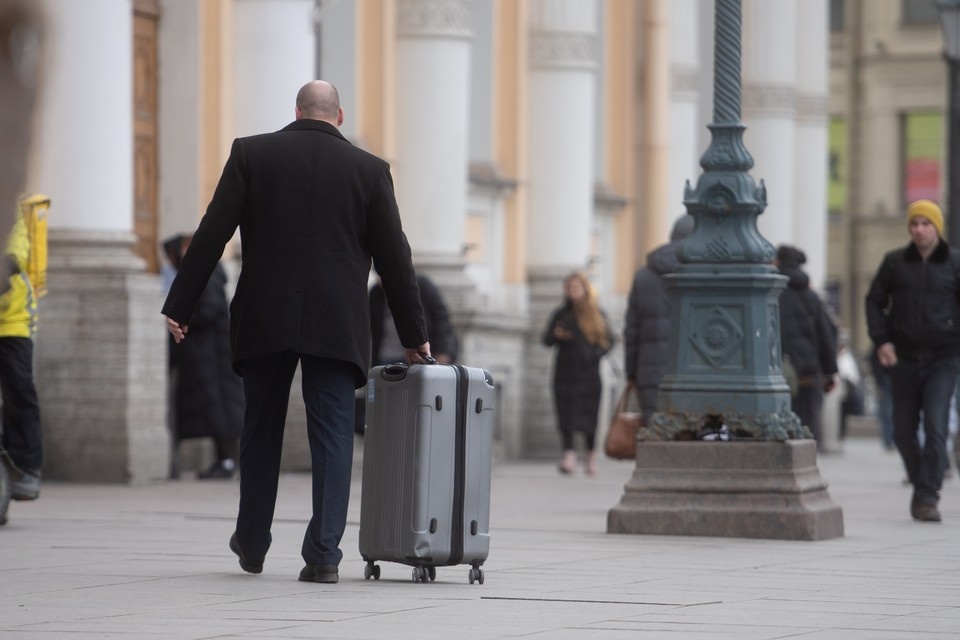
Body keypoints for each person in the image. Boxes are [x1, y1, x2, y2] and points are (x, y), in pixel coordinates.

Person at [161, 80, 430, 582]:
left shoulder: (252, 154)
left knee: (259, 428)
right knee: (332, 435)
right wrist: (415, 336)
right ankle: (324, 554)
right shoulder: (369, 171)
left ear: (297, 111)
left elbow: (212, 233)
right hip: (336, 321)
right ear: (340, 116)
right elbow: (397, 261)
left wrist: (181, 304)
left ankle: (253, 542)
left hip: (266, 314)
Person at [865, 199, 960, 523]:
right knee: (903, 431)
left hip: (943, 360)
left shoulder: (954, 264)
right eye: (914, 224)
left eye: (926, 223)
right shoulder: (894, 263)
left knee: (935, 427)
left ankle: (927, 496)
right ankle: (922, 483)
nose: (919, 229)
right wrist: (882, 341)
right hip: (903, 358)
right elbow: (874, 302)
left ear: (937, 227)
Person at [165, 233, 244, 480]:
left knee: (219, 411)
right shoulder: (202, 272)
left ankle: (227, 461)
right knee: (212, 410)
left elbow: (209, 309)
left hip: (211, 355)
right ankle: (223, 460)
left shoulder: (206, 273)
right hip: (206, 354)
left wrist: (182, 318)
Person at [623, 214, 695, 423]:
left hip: (651, 370)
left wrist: (631, 372)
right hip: (695, 373)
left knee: (654, 433)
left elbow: (632, 330)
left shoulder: (643, 275)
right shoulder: (705, 272)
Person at [542, 271, 614, 476]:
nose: (573, 292)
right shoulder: (561, 314)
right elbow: (546, 340)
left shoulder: (596, 314)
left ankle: (590, 456)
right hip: (565, 372)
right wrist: (557, 336)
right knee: (565, 413)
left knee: (589, 415)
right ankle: (569, 454)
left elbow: (610, 341)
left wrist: (595, 355)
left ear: (584, 289)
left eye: (576, 287)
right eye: (569, 288)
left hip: (589, 374)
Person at [775, 244, 838, 446]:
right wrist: (830, 372)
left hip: (779, 371)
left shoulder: (772, 293)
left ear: (777, 262)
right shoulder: (811, 297)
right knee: (807, 427)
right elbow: (826, 334)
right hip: (809, 373)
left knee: (780, 427)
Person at [0, 203, 42, 501]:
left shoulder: (11, 212)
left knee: (19, 391)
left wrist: (9, 262)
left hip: (12, 323)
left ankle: (27, 467)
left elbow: (16, 247)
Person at [370, 273, 457, 365]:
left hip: (419, 354)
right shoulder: (376, 293)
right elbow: (374, 328)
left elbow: (441, 318)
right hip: (386, 356)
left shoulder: (421, 285)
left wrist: (441, 350)